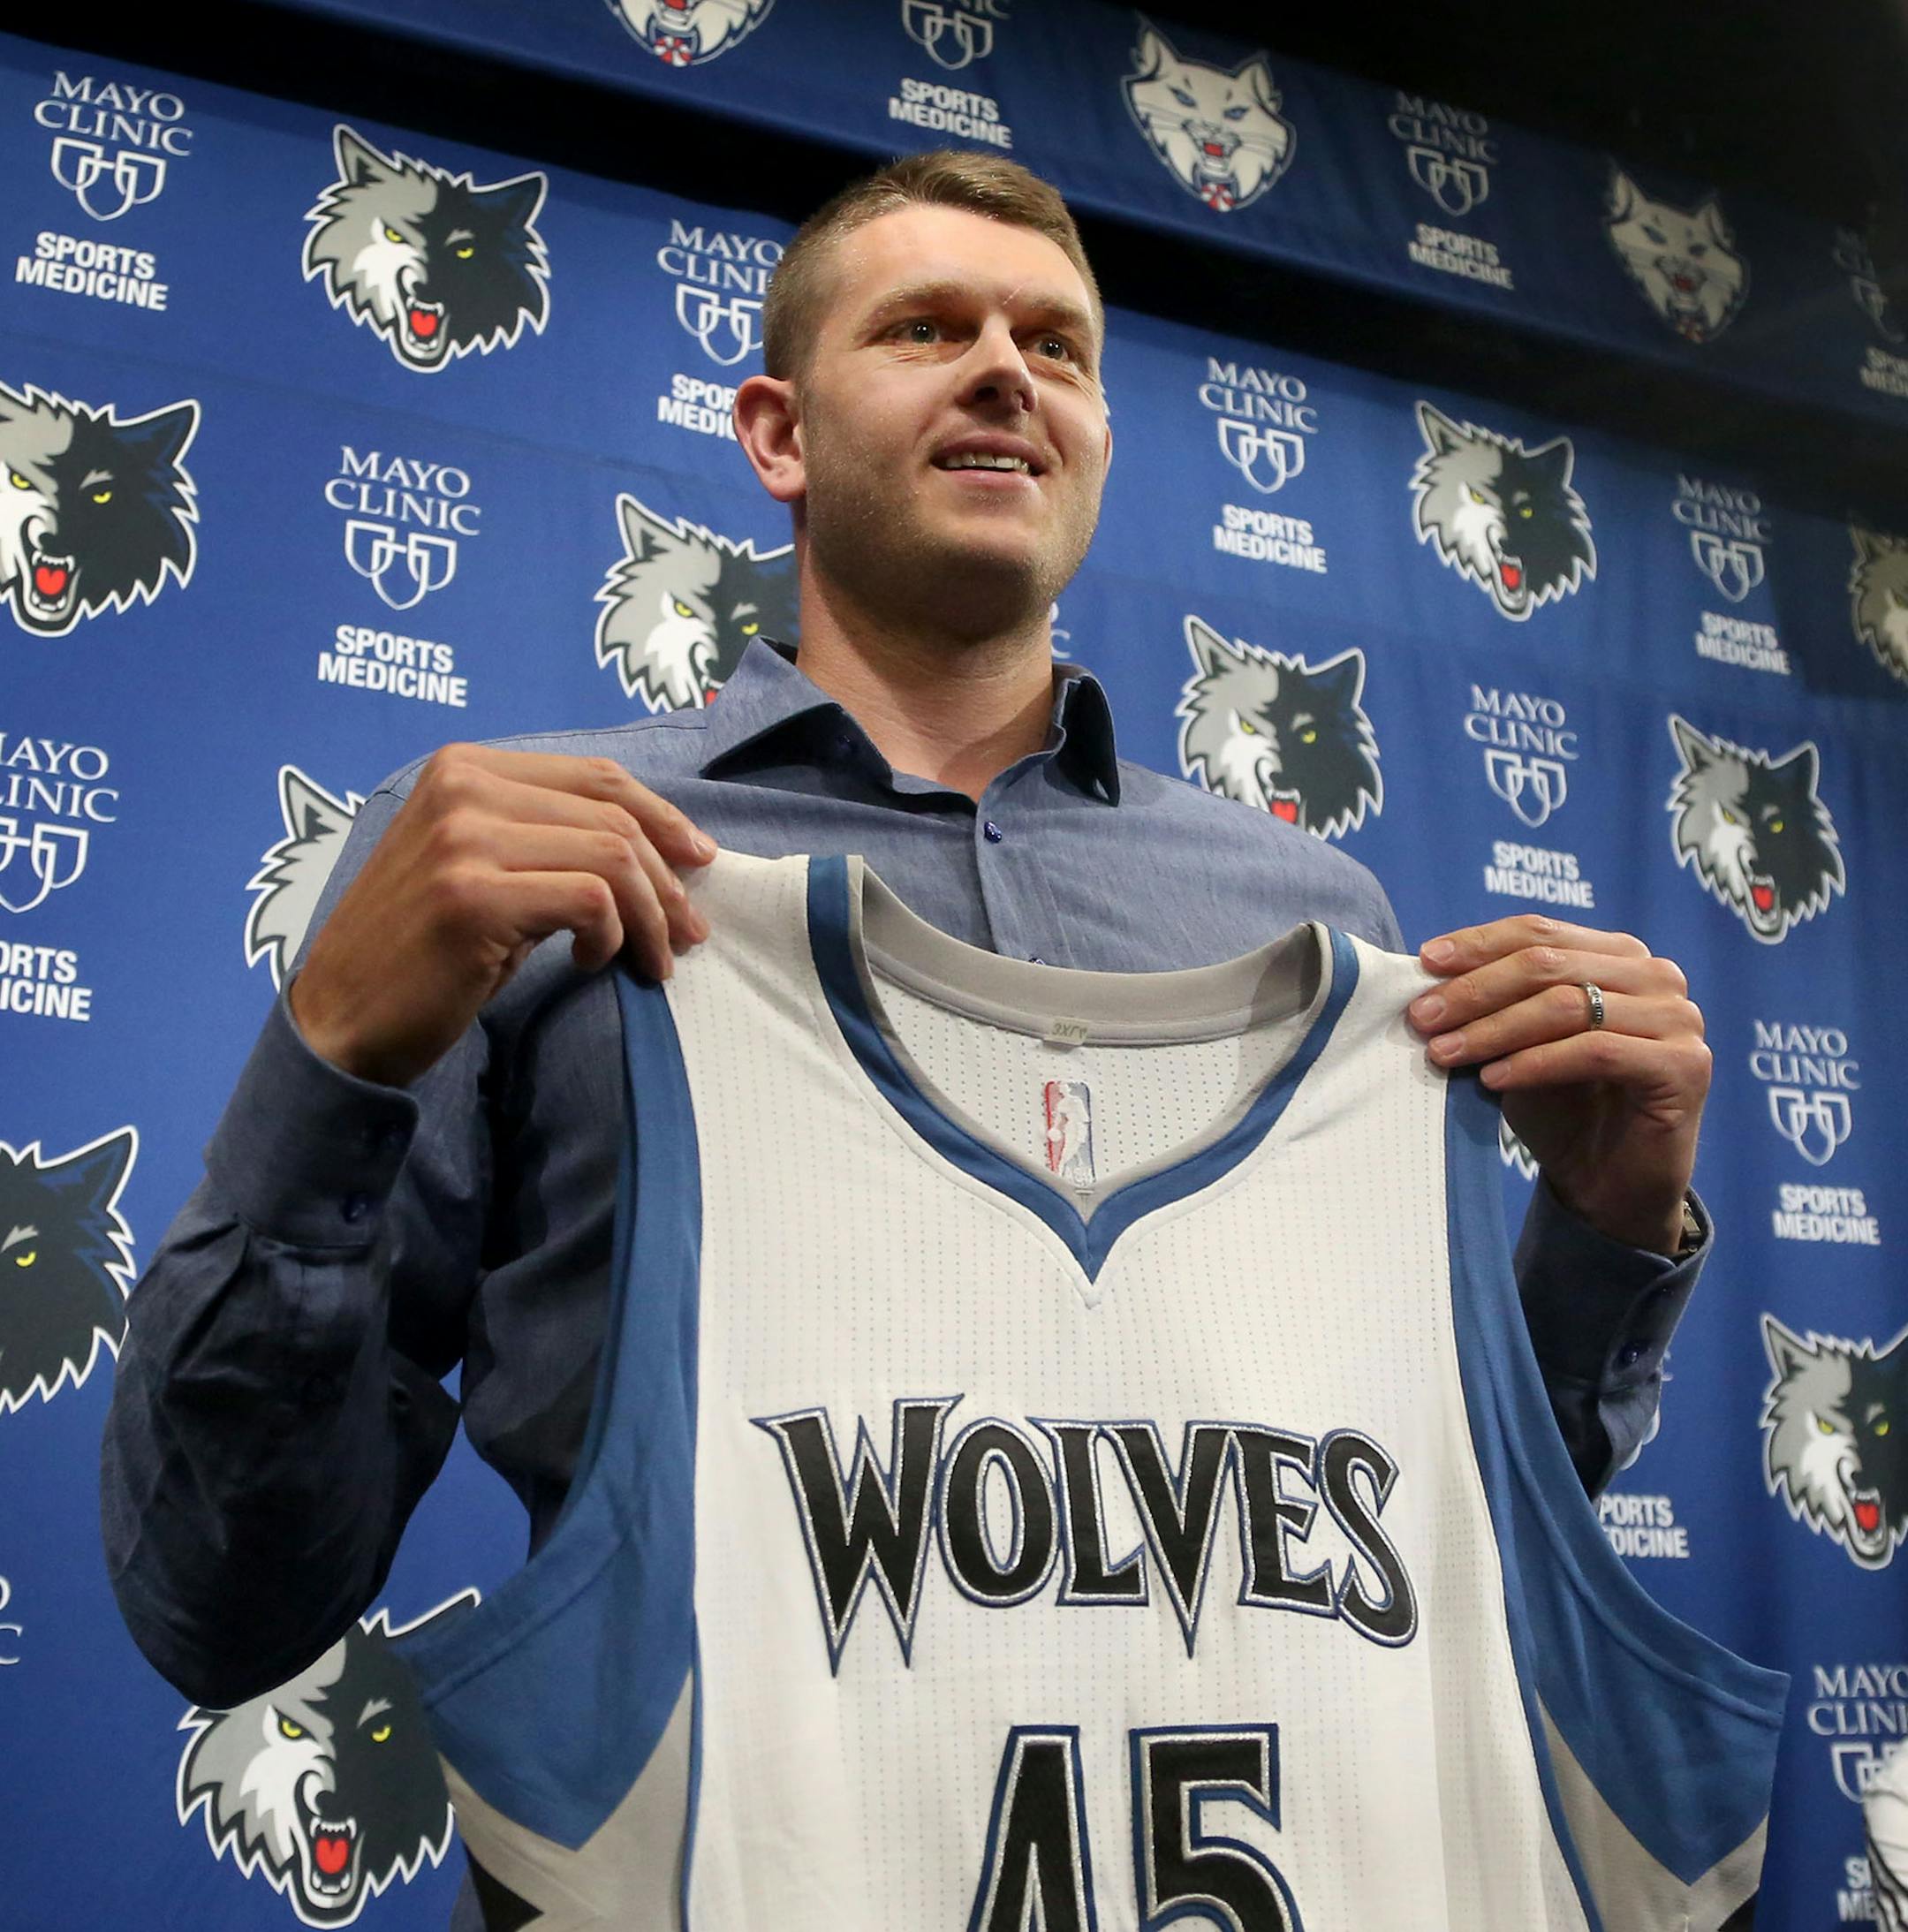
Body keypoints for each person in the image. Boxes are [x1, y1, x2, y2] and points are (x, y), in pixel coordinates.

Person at [102, 151, 1710, 1719]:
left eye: (1055, 346)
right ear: (777, 435)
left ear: (1093, 442)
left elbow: (1426, 1554)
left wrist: (1608, 1228)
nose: (1008, 371)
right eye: (927, 329)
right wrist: (331, 1059)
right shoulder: (514, 868)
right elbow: (224, 1604)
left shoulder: (1313, 922)